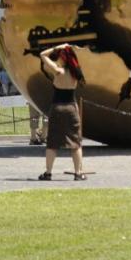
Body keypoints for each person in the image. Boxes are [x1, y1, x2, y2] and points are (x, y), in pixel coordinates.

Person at [38, 43, 86, 181]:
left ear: (62, 58)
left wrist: (57, 47)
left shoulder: (58, 71)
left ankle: (48, 173)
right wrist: (70, 49)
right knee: (76, 143)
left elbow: (42, 55)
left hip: (58, 107)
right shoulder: (76, 72)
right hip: (72, 107)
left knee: (52, 142)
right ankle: (78, 173)